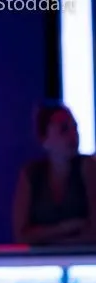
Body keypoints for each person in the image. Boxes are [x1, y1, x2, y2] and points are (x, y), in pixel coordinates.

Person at [12, 101, 96, 245]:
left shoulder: (88, 167)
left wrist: (46, 239)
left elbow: (94, 233)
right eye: (64, 129)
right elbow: (21, 236)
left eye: (75, 128)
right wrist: (66, 228)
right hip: (43, 260)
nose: (73, 135)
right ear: (44, 139)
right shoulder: (31, 174)